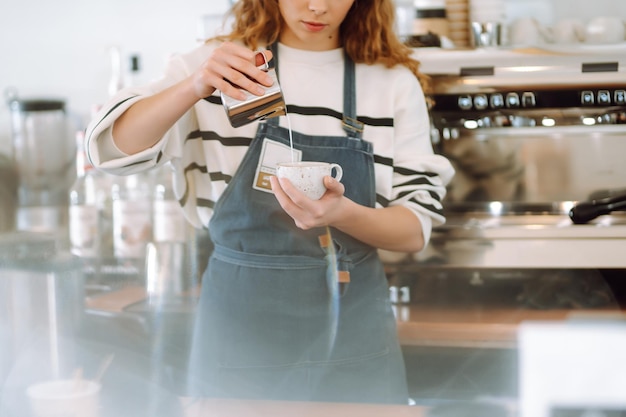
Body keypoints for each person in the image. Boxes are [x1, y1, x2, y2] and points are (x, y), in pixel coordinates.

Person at [85, 0, 454, 405]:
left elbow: (414, 229)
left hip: (355, 335)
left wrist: (342, 214)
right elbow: (108, 152)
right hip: (240, 333)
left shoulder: (392, 84)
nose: (317, 6)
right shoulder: (218, 68)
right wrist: (194, 85)